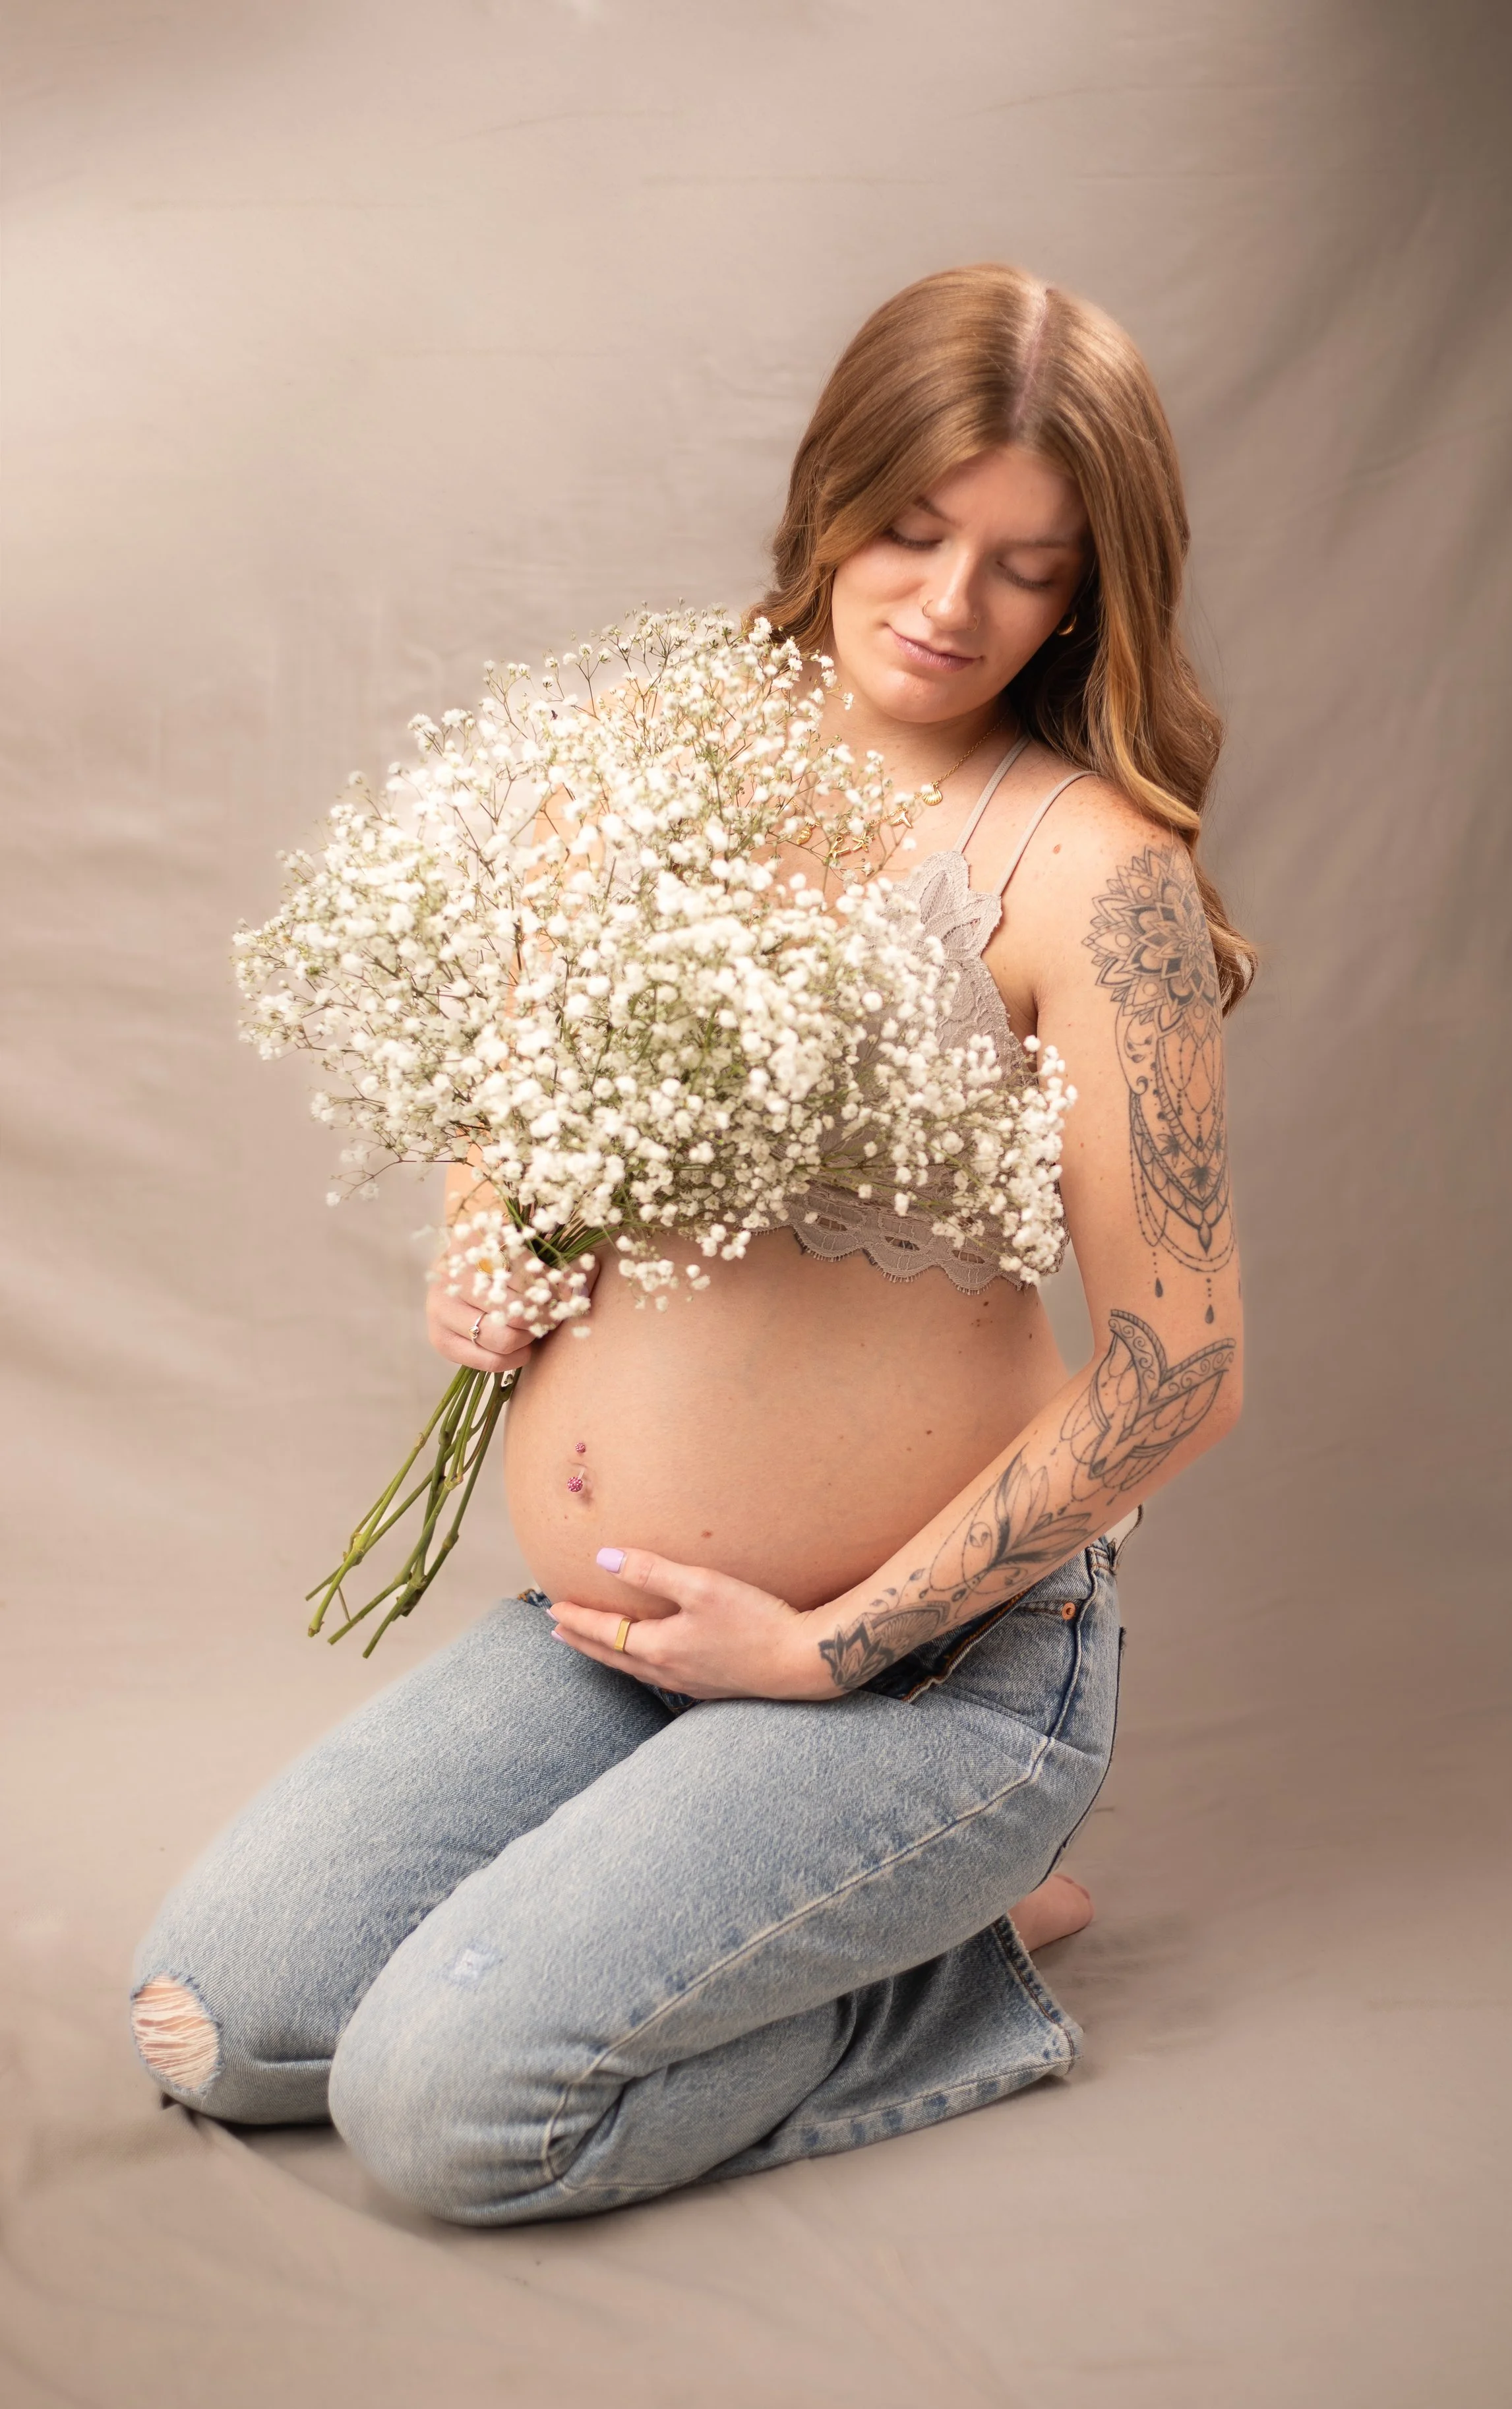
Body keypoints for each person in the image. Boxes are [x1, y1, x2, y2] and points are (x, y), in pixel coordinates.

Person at [130, 263, 1251, 2223]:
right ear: (829, 494)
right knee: (216, 2026)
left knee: (437, 2117)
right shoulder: (645, 758)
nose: (944, 600)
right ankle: (726, 1893)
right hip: (616, 1640)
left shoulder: (1093, 875)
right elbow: (520, 1097)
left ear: (1087, 592)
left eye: (1023, 565)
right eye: (908, 527)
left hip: (917, 1674)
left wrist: (827, 1647)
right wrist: (477, 1242)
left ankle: (938, 1951)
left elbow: (1184, 1363)